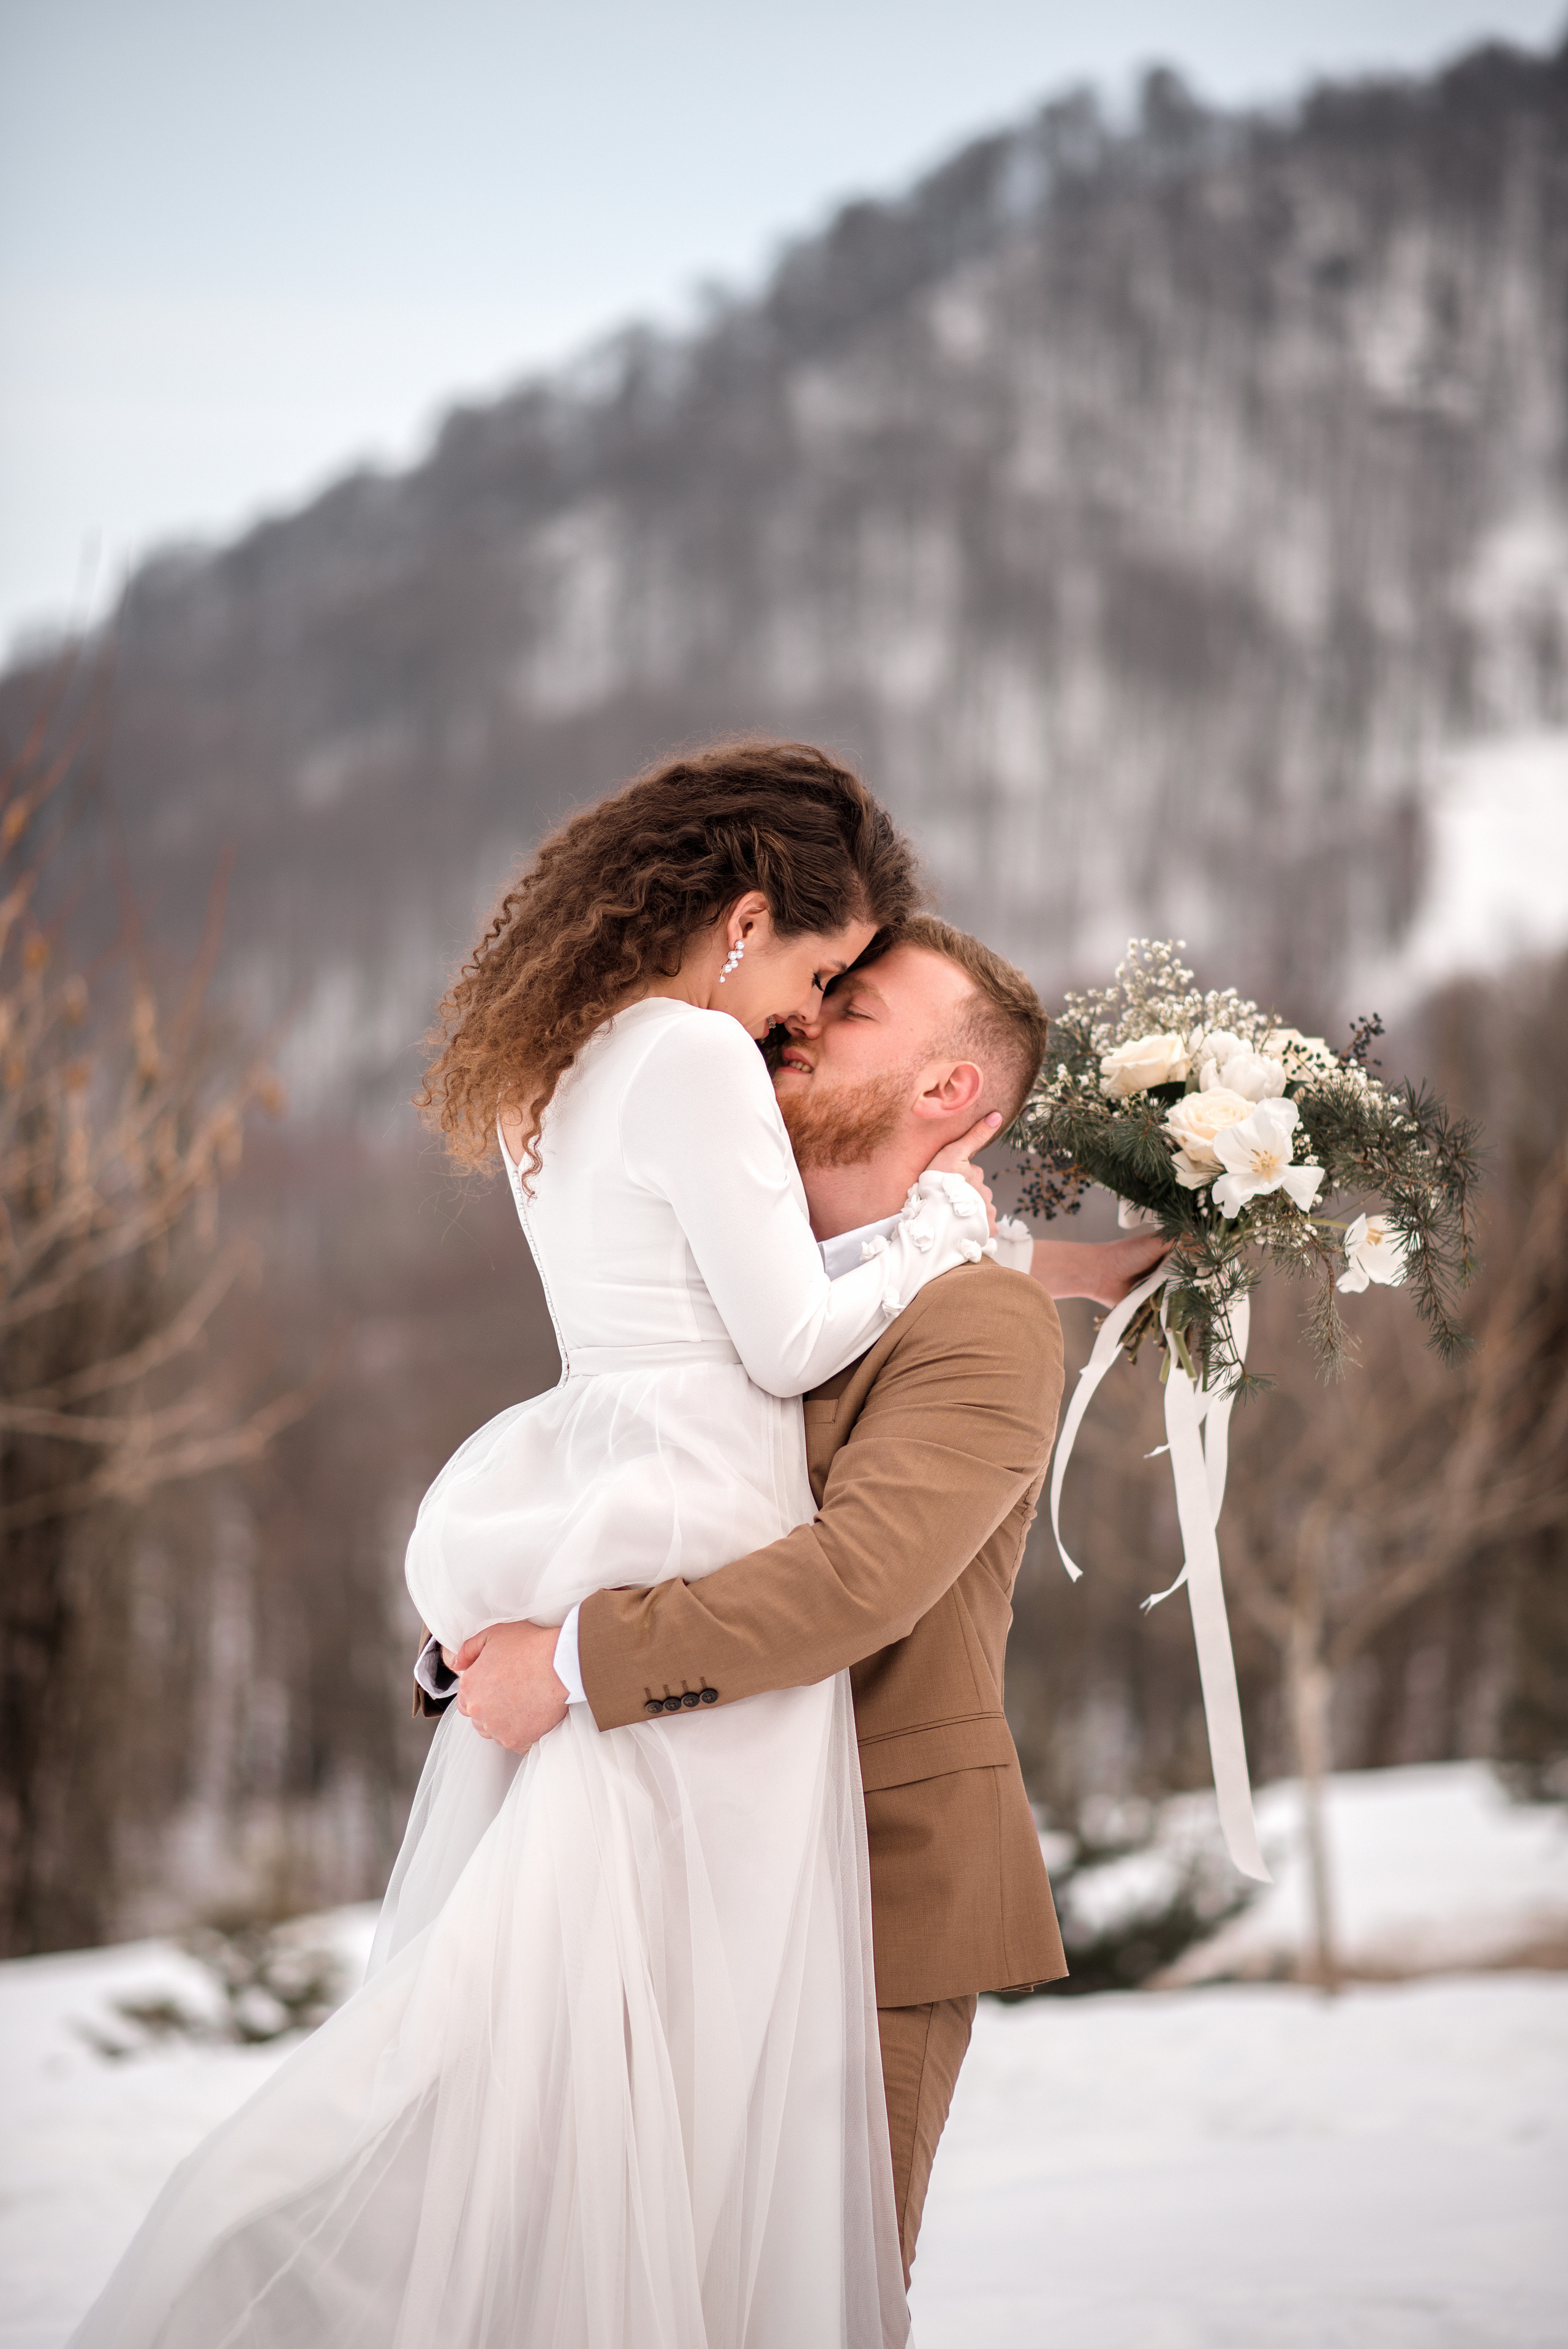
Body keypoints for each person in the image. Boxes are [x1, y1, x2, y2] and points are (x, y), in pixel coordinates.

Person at [70, 744, 1020, 2349]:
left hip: (611, 1491)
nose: (805, 1007)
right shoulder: (697, 1062)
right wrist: (945, 1235)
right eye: (815, 965)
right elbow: (785, 1343)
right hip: (704, 1518)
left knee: (550, 2008)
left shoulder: (550, 1071)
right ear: (739, 920)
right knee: (688, 2030)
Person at [425, 913, 1167, 2281]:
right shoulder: (749, 1299)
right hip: (675, 1859)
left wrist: (575, 1661)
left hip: (873, 1883)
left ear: (950, 1094)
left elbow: (857, 1581)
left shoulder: (978, 1323)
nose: (800, 1019)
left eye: (854, 1006)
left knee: (788, 2301)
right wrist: (490, 1641)